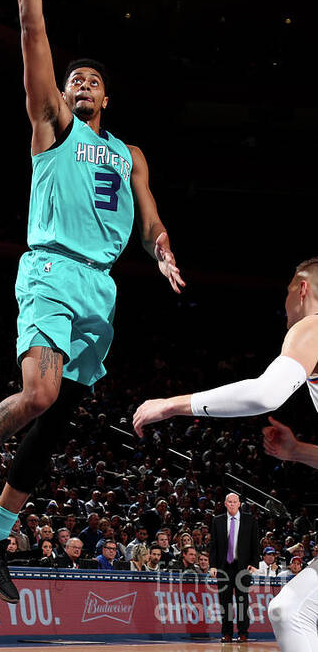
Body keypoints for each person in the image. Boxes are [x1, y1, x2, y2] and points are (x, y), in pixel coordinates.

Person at [0, 0, 184, 605]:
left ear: (106, 96)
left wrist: (161, 245)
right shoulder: (49, 128)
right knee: (39, 392)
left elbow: (148, 219)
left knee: (52, 428)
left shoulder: (129, 153)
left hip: (100, 291)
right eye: (71, 77)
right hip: (50, 267)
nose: (78, 83)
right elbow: (31, 31)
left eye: (90, 81)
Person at [132, 257, 318, 650]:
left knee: (293, 613)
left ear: (302, 289)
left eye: (286, 291)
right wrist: (299, 451)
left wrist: (172, 405)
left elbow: (263, 394)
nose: (284, 304)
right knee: (291, 611)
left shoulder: (313, 325)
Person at [206, 493, 260, 643]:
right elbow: (214, 546)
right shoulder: (217, 521)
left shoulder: (250, 520)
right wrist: (213, 566)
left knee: (242, 601)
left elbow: (255, 543)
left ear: (239, 503)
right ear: (225, 504)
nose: (231, 504)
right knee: (225, 602)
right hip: (224, 567)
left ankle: (243, 633)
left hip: (243, 567)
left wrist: (254, 563)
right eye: (229, 502)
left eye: (234, 502)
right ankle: (227, 633)